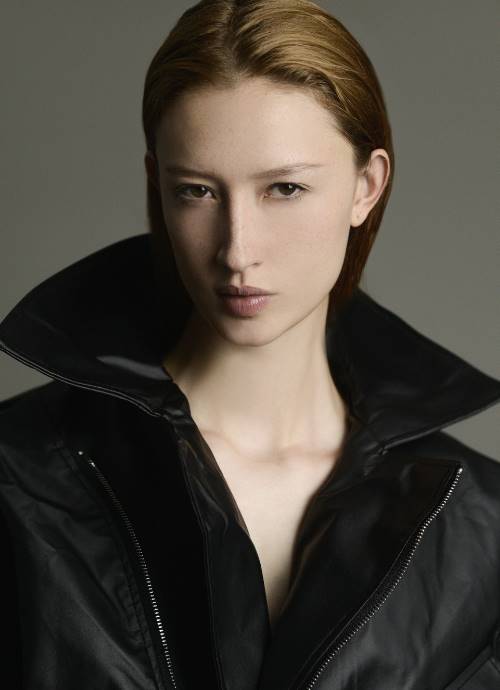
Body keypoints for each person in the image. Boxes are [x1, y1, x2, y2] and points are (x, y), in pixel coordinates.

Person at [0, 1, 499, 688]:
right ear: (156, 185)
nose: (237, 251)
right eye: (197, 192)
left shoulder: (478, 525)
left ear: (366, 186)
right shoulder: (19, 477)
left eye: (285, 188)